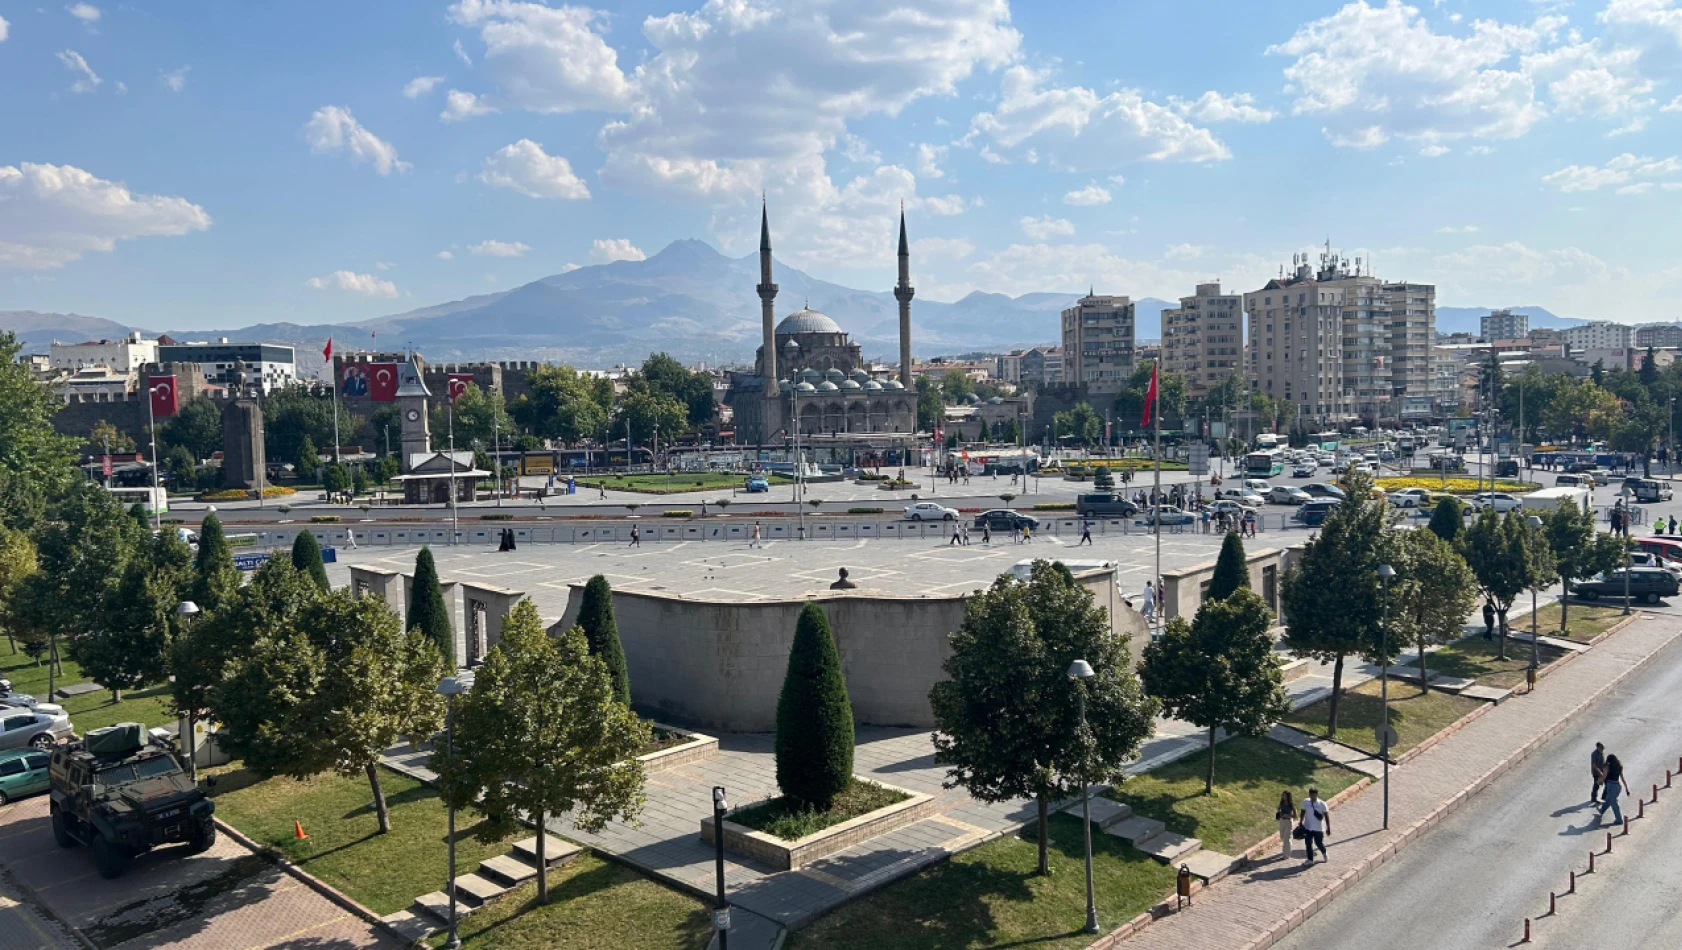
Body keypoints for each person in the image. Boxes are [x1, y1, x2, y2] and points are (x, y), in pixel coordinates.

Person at [1300, 787, 1330, 864]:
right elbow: (1303, 811)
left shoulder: (1322, 804)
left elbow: (1326, 816)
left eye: (1314, 794)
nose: (1312, 796)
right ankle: (1310, 859)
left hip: (1318, 828)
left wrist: (1328, 828)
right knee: (1308, 843)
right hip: (1308, 827)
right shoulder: (1306, 802)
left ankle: (1324, 853)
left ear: (1317, 794)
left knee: (1319, 843)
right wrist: (1301, 821)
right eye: (1310, 794)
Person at [1598, 753, 1629, 825]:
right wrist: (1626, 789)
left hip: (1611, 786)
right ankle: (1601, 811)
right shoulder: (1619, 766)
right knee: (1609, 799)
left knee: (1614, 803)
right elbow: (1622, 778)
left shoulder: (1608, 766)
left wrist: (1600, 781)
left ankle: (1619, 819)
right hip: (1617, 786)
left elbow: (1604, 776)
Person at [1276, 791, 1296, 861]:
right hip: (1282, 821)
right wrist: (1279, 813)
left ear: (1288, 796)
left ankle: (1286, 855)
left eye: (1285, 796)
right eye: (1283, 795)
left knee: (1286, 840)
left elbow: (1295, 815)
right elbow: (1278, 808)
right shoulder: (1281, 802)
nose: (1284, 797)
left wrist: (1288, 815)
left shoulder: (1291, 804)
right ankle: (1288, 846)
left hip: (1288, 821)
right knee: (1282, 836)